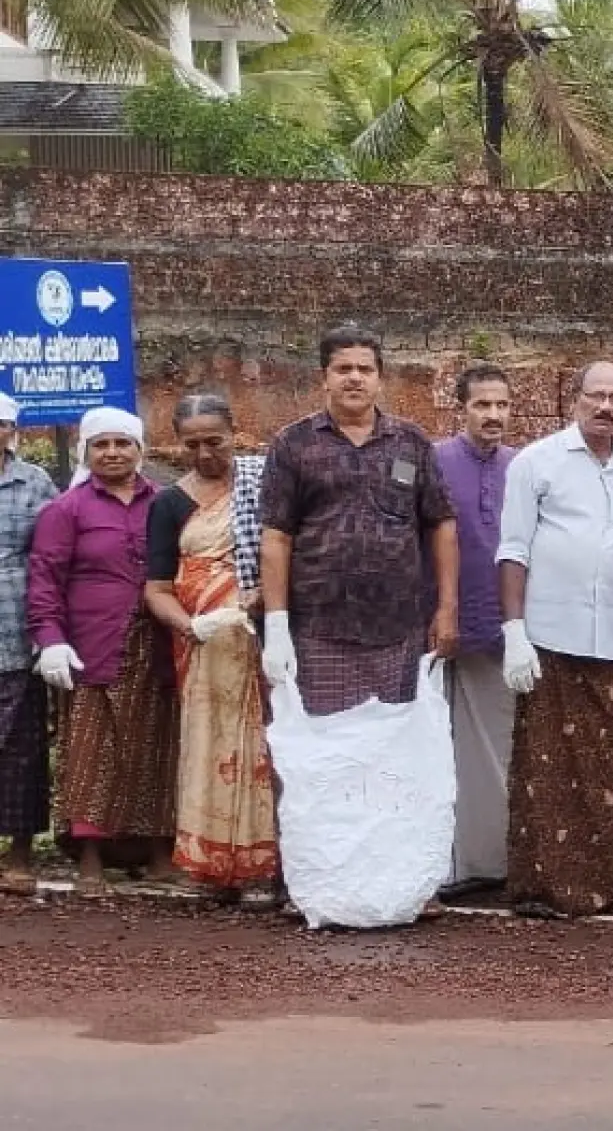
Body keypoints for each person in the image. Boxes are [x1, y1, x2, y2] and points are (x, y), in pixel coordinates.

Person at [495, 362, 613, 919]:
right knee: (545, 767)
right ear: (576, 399)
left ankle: (596, 889)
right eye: (597, 396)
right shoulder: (536, 462)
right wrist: (514, 632)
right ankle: (538, 890)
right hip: (548, 637)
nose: (606, 407)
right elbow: (513, 550)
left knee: (603, 769)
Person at [259, 328, 460, 717]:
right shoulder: (293, 444)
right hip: (320, 630)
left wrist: (447, 607)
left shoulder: (411, 443)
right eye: (343, 368)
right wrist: (277, 624)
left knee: (392, 747)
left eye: (365, 369)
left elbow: (442, 523)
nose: (354, 377)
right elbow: (276, 538)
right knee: (327, 750)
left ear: (380, 379)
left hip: (398, 629)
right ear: (325, 378)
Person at [29, 407, 178, 897]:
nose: (113, 453)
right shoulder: (67, 510)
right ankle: (90, 861)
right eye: (101, 445)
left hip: (155, 645)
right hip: (91, 648)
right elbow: (46, 579)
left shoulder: (166, 502)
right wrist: (50, 638)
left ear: (141, 450)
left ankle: (159, 855)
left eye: (123, 443)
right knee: (91, 753)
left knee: (158, 749)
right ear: (86, 452)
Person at [142, 394, 275, 903]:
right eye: (192, 444)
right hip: (205, 650)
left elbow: (285, 551)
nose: (203, 454)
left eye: (214, 442)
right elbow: (156, 588)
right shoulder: (170, 503)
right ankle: (216, 867)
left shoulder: (261, 486)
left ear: (234, 434)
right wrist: (192, 626)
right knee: (210, 747)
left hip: (263, 641)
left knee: (268, 744)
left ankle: (270, 864)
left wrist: (262, 598)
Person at [434, 363, 517, 895]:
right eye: (481, 405)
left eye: (501, 405)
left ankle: (491, 863)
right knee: (441, 750)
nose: (492, 415)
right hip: (441, 627)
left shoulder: (523, 467)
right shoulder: (434, 462)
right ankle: (445, 865)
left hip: (503, 629)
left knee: (496, 750)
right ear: (460, 409)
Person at [0, 394, 56, 897]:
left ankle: (19, 853)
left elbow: (54, 550)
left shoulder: (34, 481)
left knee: (20, 748)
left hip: (15, 627)